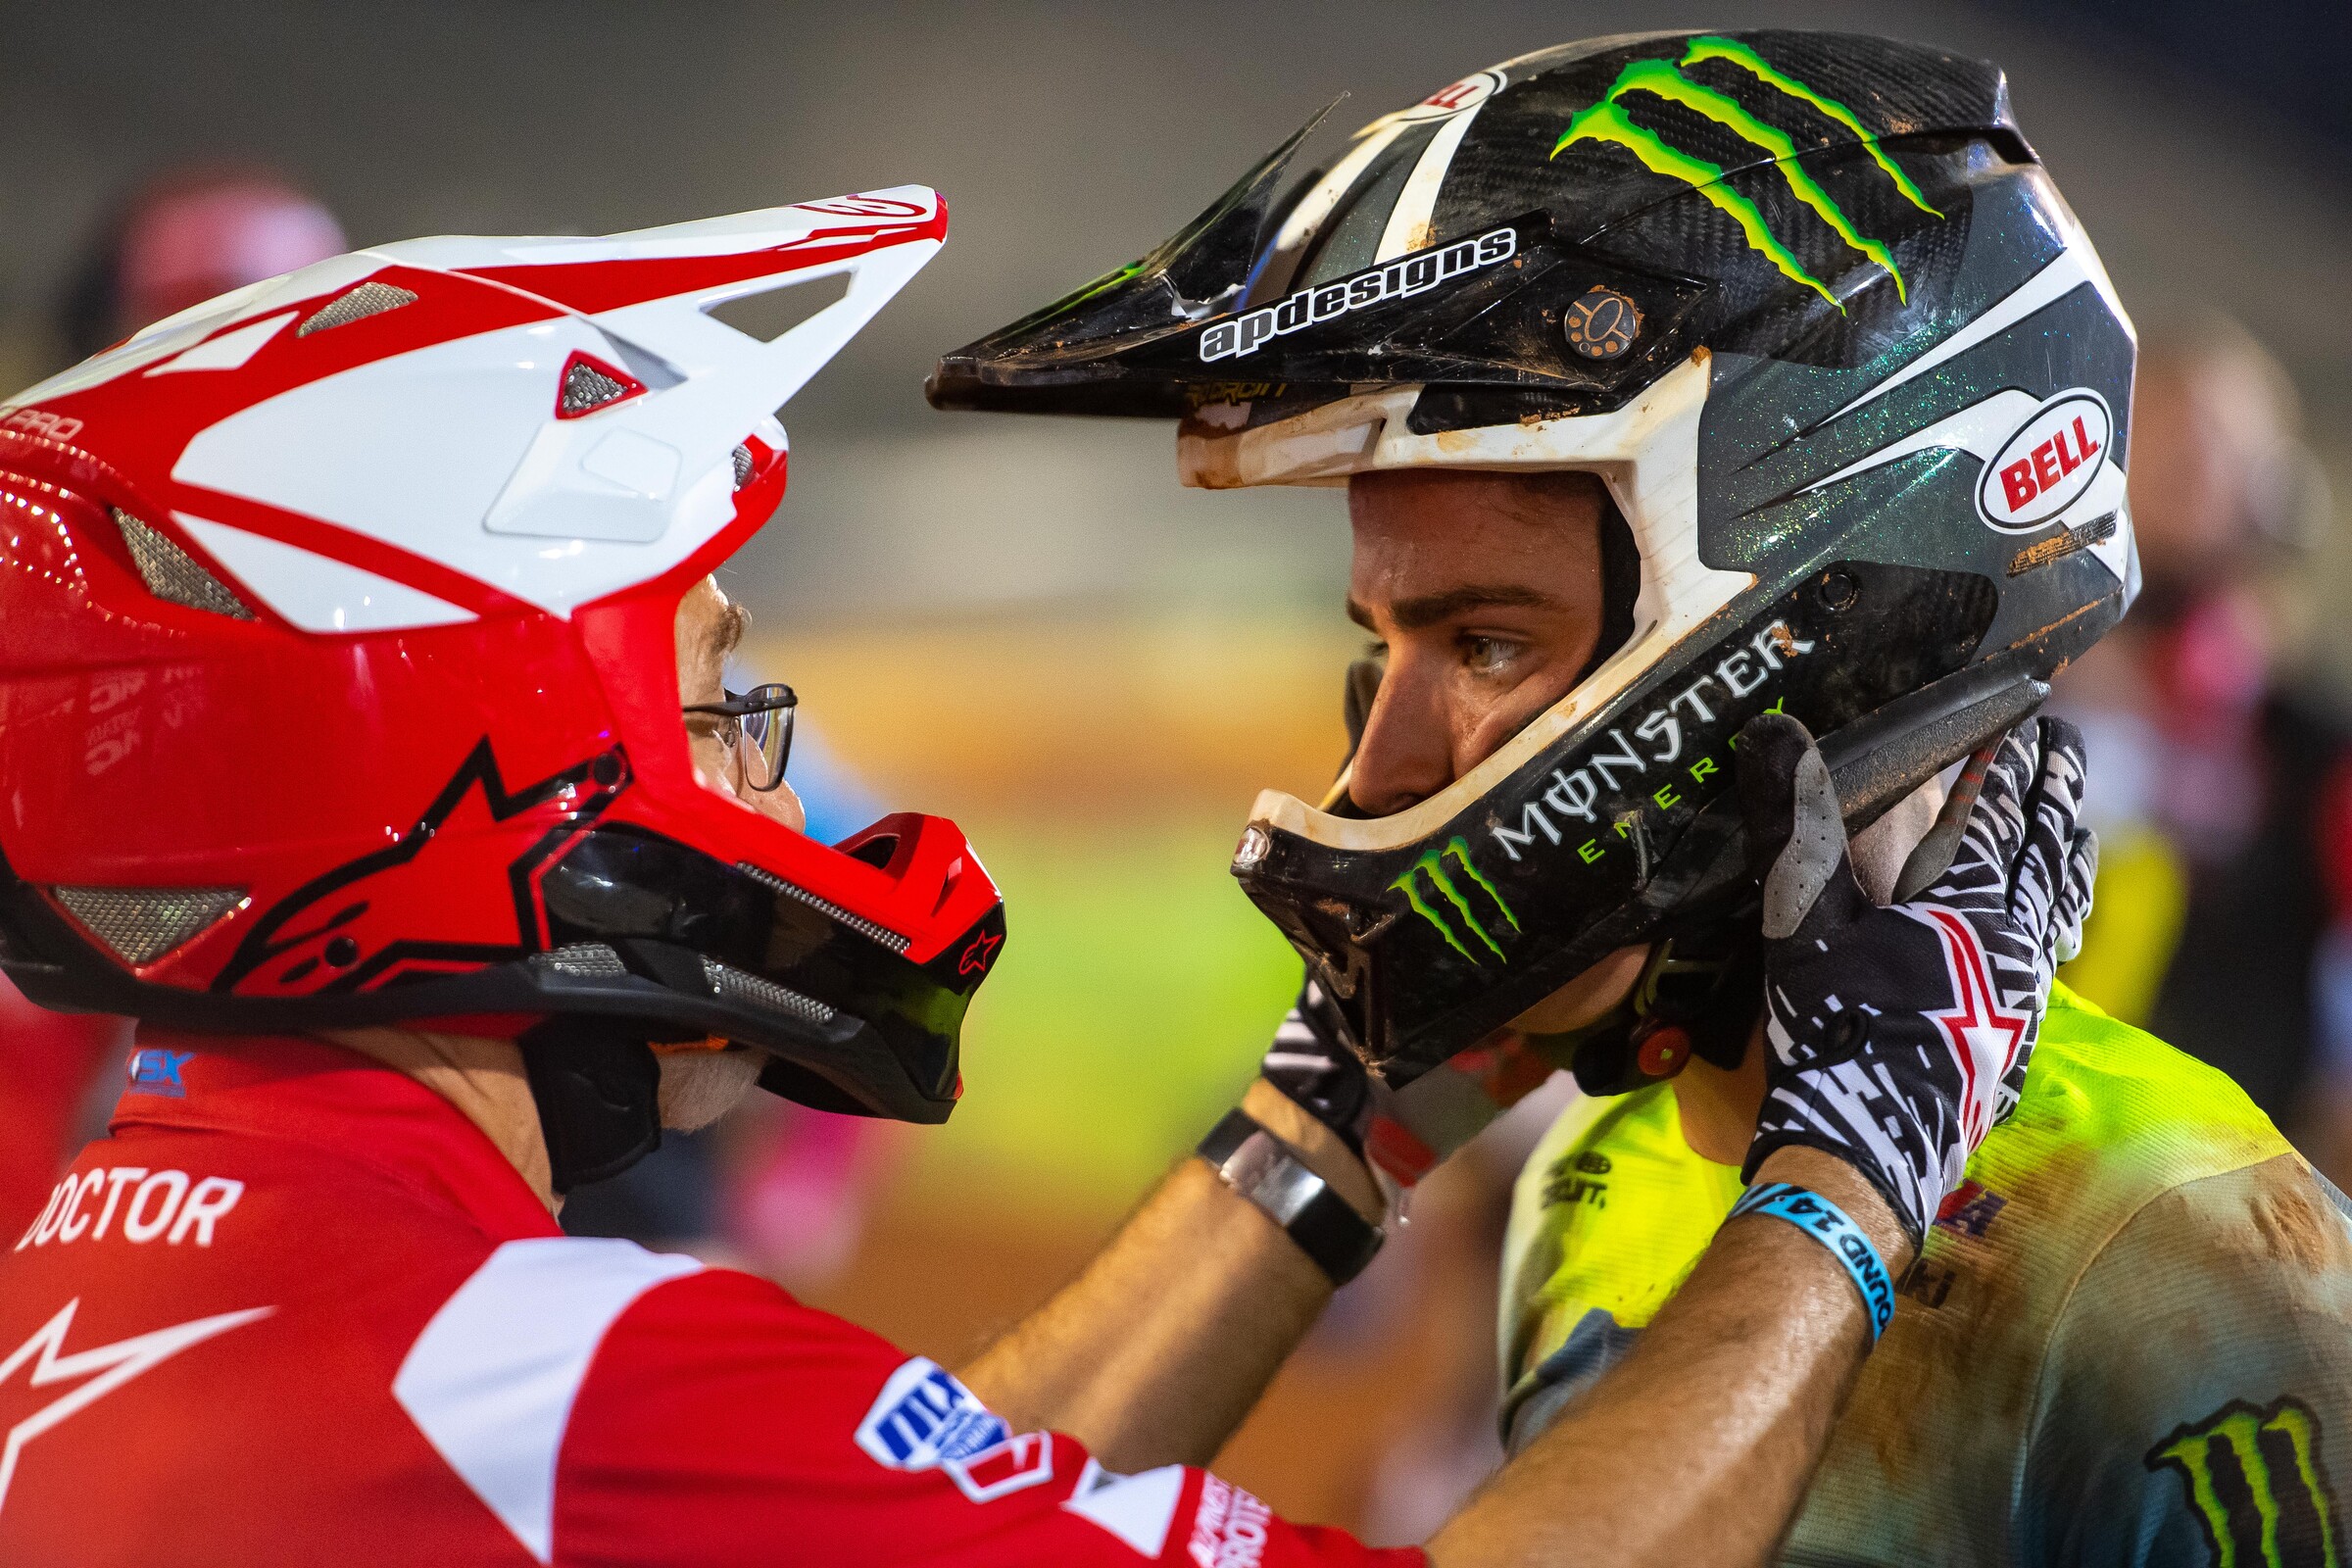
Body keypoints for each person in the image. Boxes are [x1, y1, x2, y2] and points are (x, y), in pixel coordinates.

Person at [0, 180, 2072, 1567]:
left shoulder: (153, 1278)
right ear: (499, 770)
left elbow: (891, 1501)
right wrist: (1857, 1162)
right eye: (724, 695)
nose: (774, 782)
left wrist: (1336, 1113)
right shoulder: (525, 1380)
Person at [929, 28, 2352, 1564]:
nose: (1379, 769)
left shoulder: (2196, 1267)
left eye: (1483, 642)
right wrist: (1328, 1120)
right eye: (1384, 647)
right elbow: (927, 1527)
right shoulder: (1593, 1178)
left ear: (1823, 624)